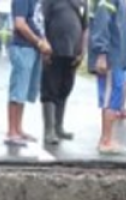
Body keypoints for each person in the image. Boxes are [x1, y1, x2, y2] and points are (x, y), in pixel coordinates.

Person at [89, 0, 126, 154]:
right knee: (109, 99)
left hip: (120, 58)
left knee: (115, 98)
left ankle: (108, 138)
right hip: (110, 58)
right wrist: (102, 54)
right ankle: (106, 140)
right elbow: (101, 25)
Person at [40, 0, 87, 145]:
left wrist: (82, 51)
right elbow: (42, 23)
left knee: (65, 88)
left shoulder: (82, 2)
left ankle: (58, 127)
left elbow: (85, 28)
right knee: (49, 90)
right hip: (53, 50)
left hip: (72, 51)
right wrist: (44, 47)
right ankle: (49, 130)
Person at [7, 0, 50, 145]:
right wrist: (38, 42)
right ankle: (12, 131)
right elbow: (20, 24)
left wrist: (43, 42)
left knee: (24, 91)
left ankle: (19, 128)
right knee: (18, 89)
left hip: (34, 48)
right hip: (23, 47)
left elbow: (37, 22)